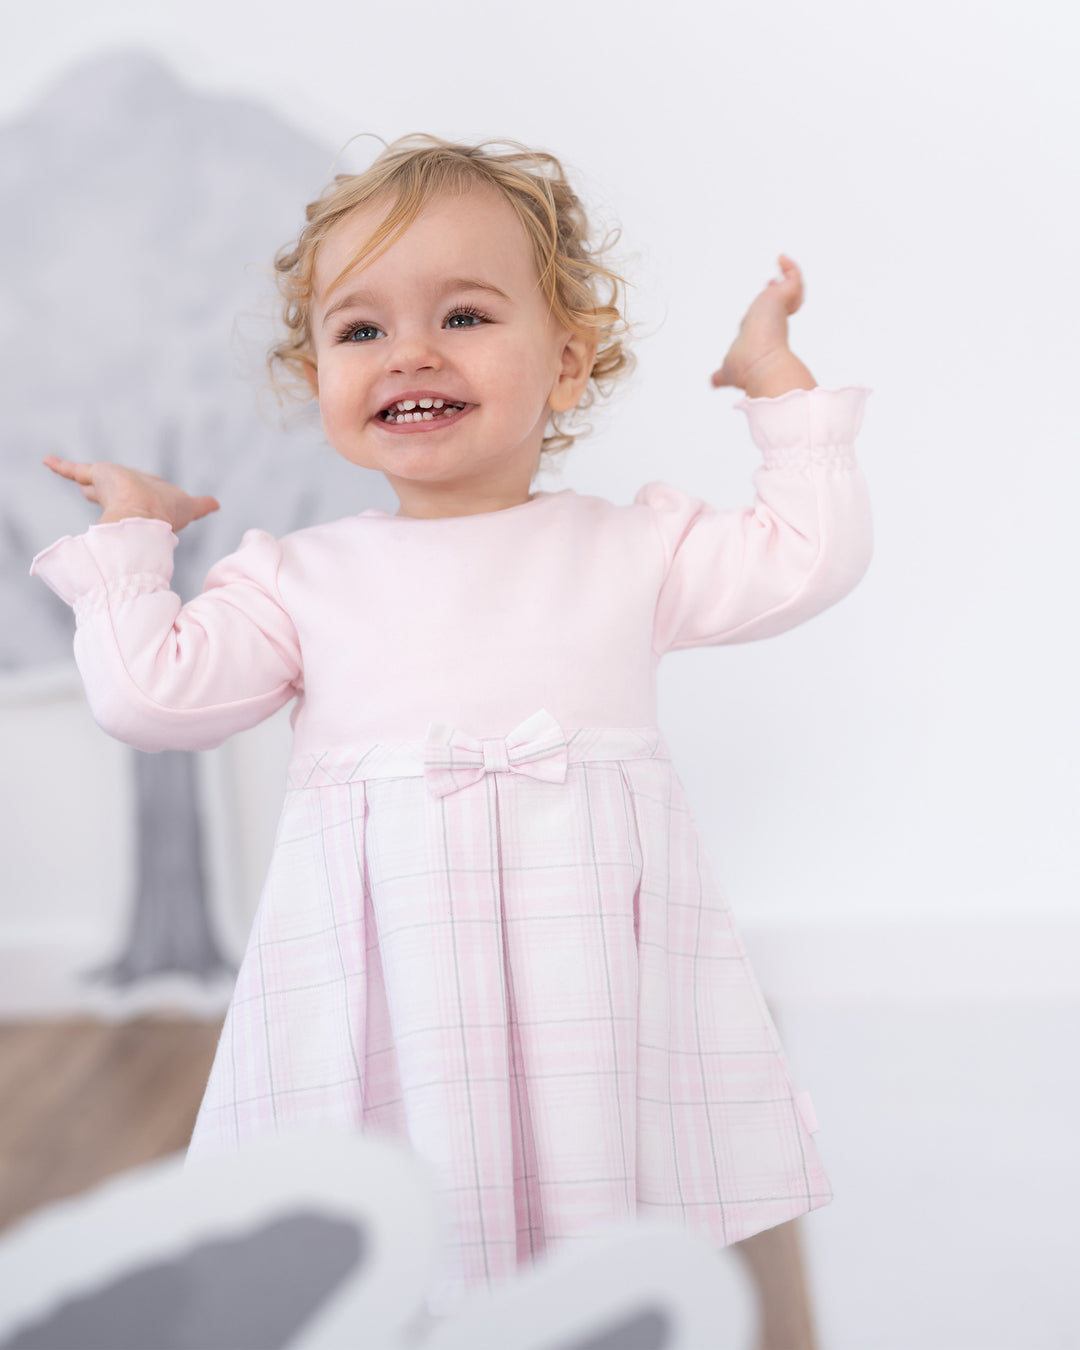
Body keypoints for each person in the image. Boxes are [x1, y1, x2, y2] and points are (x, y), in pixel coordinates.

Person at [30, 134, 872, 1319]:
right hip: (393, 982)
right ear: (316, 372)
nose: (409, 352)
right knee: (401, 1228)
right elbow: (147, 697)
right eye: (359, 330)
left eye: (466, 315)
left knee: (589, 1218)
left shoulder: (630, 547)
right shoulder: (297, 581)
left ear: (568, 362)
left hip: (582, 975)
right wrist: (134, 543)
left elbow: (806, 557)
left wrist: (777, 385)